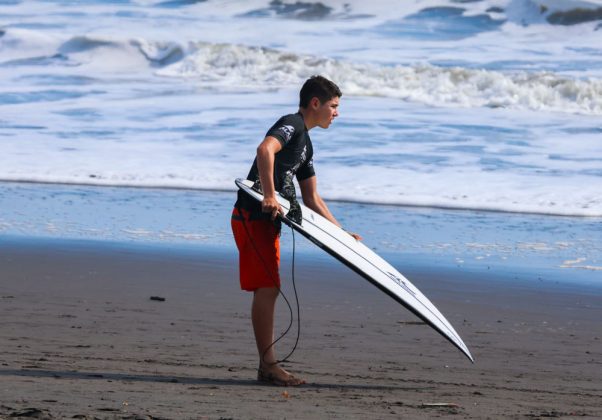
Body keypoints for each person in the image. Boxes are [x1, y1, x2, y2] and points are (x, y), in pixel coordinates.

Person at [231, 75, 361, 387]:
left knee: (270, 288)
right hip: (252, 217)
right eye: (333, 106)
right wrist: (270, 196)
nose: (336, 112)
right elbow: (265, 150)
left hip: (268, 222)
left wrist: (342, 234)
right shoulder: (292, 124)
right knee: (269, 288)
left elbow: (312, 198)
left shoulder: (307, 146)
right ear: (315, 103)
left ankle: (268, 365)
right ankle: (268, 366)